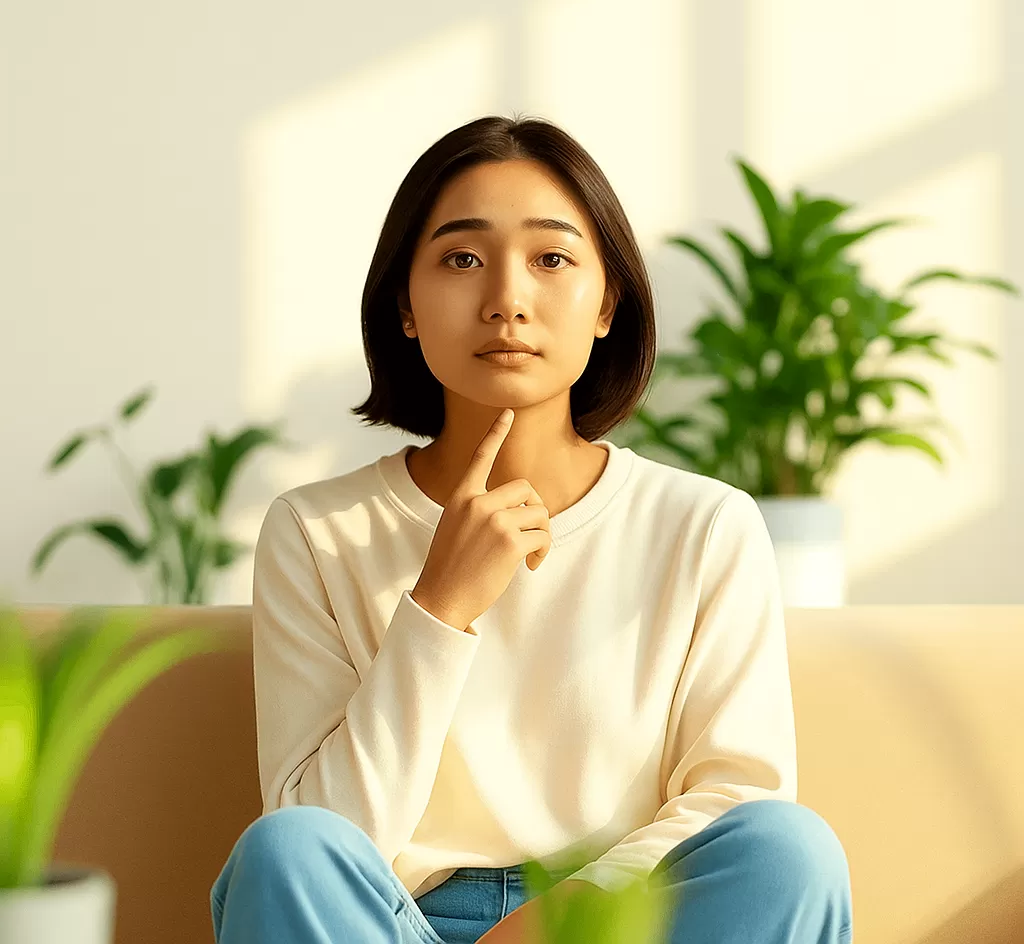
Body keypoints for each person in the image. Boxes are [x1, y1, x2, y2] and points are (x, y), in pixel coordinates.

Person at [210, 114, 853, 943]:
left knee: (790, 849)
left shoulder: (704, 525)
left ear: (606, 303)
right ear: (405, 304)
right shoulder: (315, 530)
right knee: (288, 849)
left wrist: (554, 927)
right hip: (390, 925)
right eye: (461, 258)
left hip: (617, 923)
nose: (506, 300)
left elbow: (736, 794)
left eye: (551, 259)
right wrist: (439, 607)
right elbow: (328, 835)